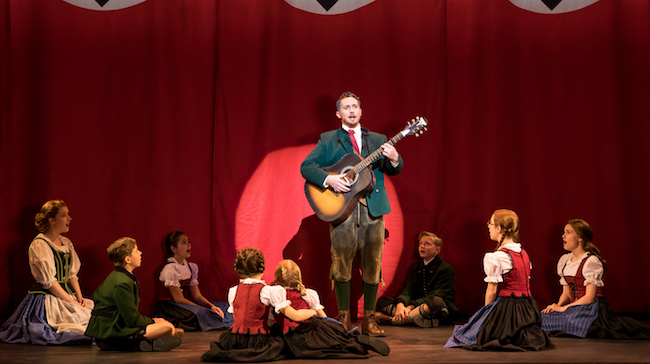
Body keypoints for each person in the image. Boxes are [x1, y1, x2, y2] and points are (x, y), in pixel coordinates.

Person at [300, 91, 404, 337]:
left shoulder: (378, 139)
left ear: (361, 110)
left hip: (373, 208)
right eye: (346, 107)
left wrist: (395, 157)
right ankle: (344, 317)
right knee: (341, 262)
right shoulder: (328, 139)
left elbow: (393, 169)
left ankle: (369, 319)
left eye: (355, 106)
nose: (351, 111)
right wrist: (329, 180)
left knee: (372, 264)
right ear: (338, 114)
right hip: (342, 210)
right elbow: (307, 167)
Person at [444, 209, 553, 351]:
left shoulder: (498, 257)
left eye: (491, 223)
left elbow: (492, 289)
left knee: (474, 332)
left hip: (509, 308)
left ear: (499, 228)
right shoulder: (523, 253)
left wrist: (486, 314)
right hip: (528, 308)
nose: (488, 226)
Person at [0, 200, 93, 345]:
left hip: (67, 295)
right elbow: (50, 283)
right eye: (64, 215)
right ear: (51, 220)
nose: (69, 219)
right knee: (79, 319)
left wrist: (79, 297)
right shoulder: (39, 245)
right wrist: (71, 302)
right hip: (48, 298)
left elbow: (71, 275)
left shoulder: (66, 243)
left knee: (90, 310)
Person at [201, 247, 318, 362]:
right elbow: (295, 316)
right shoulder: (268, 291)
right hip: (258, 340)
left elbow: (239, 318)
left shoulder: (234, 290)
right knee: (282, 345)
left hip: (235, 339)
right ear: (262, 268)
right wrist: (313, 311)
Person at [541, 219, 650, 339]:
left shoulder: (591, 261)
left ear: (580, 238)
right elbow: (566, 294)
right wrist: (556, 306)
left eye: (568, 232)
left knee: (570, 321)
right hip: (574, 306)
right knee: (543, 317)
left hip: (591, 307)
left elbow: (589, 298)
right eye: (564, 232)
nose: (563, 236)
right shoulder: (565, 261)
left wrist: (562, 309)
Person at [270, 259, 389, 358]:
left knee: (325, 350)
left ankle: (355, 342)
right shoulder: (308, 293)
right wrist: (331, 328)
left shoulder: (275, 294)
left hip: (294, 336)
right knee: (331, 341)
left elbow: (271, 321)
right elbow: (324, 318)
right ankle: (354, 339)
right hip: (311, 328)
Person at [85, 237, 184, 351]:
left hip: (105, 332)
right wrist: (153, 321)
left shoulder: (117, 277)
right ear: (127, 259)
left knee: (166, 327)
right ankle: (139, 342)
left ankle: (148, 341)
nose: (140, 253)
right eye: (136, 251)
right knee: (167, 327)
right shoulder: (123, 282)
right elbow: (131, 319)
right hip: (111, 334)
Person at [375, 231, 458, 328]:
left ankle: (393, 320)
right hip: (417, 308)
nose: (422, 246)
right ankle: (412, 318)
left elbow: (439, 293)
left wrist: (411, 306)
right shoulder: (415, 268)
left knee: (437, 302)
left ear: (437, 250)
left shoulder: (445, 268)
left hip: (434, 306)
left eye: (427, 244)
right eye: (420, 244)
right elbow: (408, 290)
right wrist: (400, 305)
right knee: (383, 301)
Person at [155, 231, 233, 331]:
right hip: (171, 307)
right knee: (198, 313)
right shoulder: (170, 269)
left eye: (188, 242)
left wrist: (211, 306)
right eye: (183, 243)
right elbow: (178, 299)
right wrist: (201, 308)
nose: (188, 245)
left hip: (184, 304)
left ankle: (219, 320)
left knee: (223, 307)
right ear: (173, 248)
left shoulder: (191, 268)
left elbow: (197, 296)